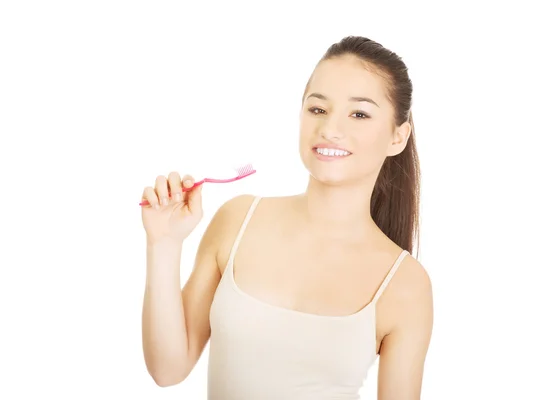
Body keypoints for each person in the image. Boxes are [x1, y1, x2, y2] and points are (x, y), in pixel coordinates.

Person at [140, 35, 433, 400]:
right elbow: (168, 369)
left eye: (359, 113)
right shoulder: (238, 220)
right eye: (317, 109)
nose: (329, 129)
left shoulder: (405, 284)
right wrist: (164, 244)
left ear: (397, 137)